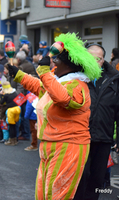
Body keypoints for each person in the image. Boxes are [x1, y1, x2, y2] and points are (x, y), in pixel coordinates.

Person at [8, 32, 102, 199]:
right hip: (49, 145)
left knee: (56, 196)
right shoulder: (58, 83)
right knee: (43, 195)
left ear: (70, 65)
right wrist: (18, 74)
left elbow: (63, 98)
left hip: (68, 145)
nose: (53, 63)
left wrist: (44, 72)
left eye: (56, 59)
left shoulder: (78, 86)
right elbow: (40, 87)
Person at [73, 44, 119, 200]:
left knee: (97, 181)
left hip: (103, 138)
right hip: (79, 138)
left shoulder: (114, 79)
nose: (94, 62)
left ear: (103, 60)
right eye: (90, 58)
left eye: (98, 59)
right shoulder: (74, 77)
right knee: (79, 178)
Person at [0, 81, 21, 146]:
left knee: (11, 126)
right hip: (17, 109)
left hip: (11, 110)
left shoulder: (6, 95)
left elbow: (1, 103)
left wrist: (1, 95)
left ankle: (11, 141)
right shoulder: (14, 92)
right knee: (15, 125)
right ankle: (15, 140)